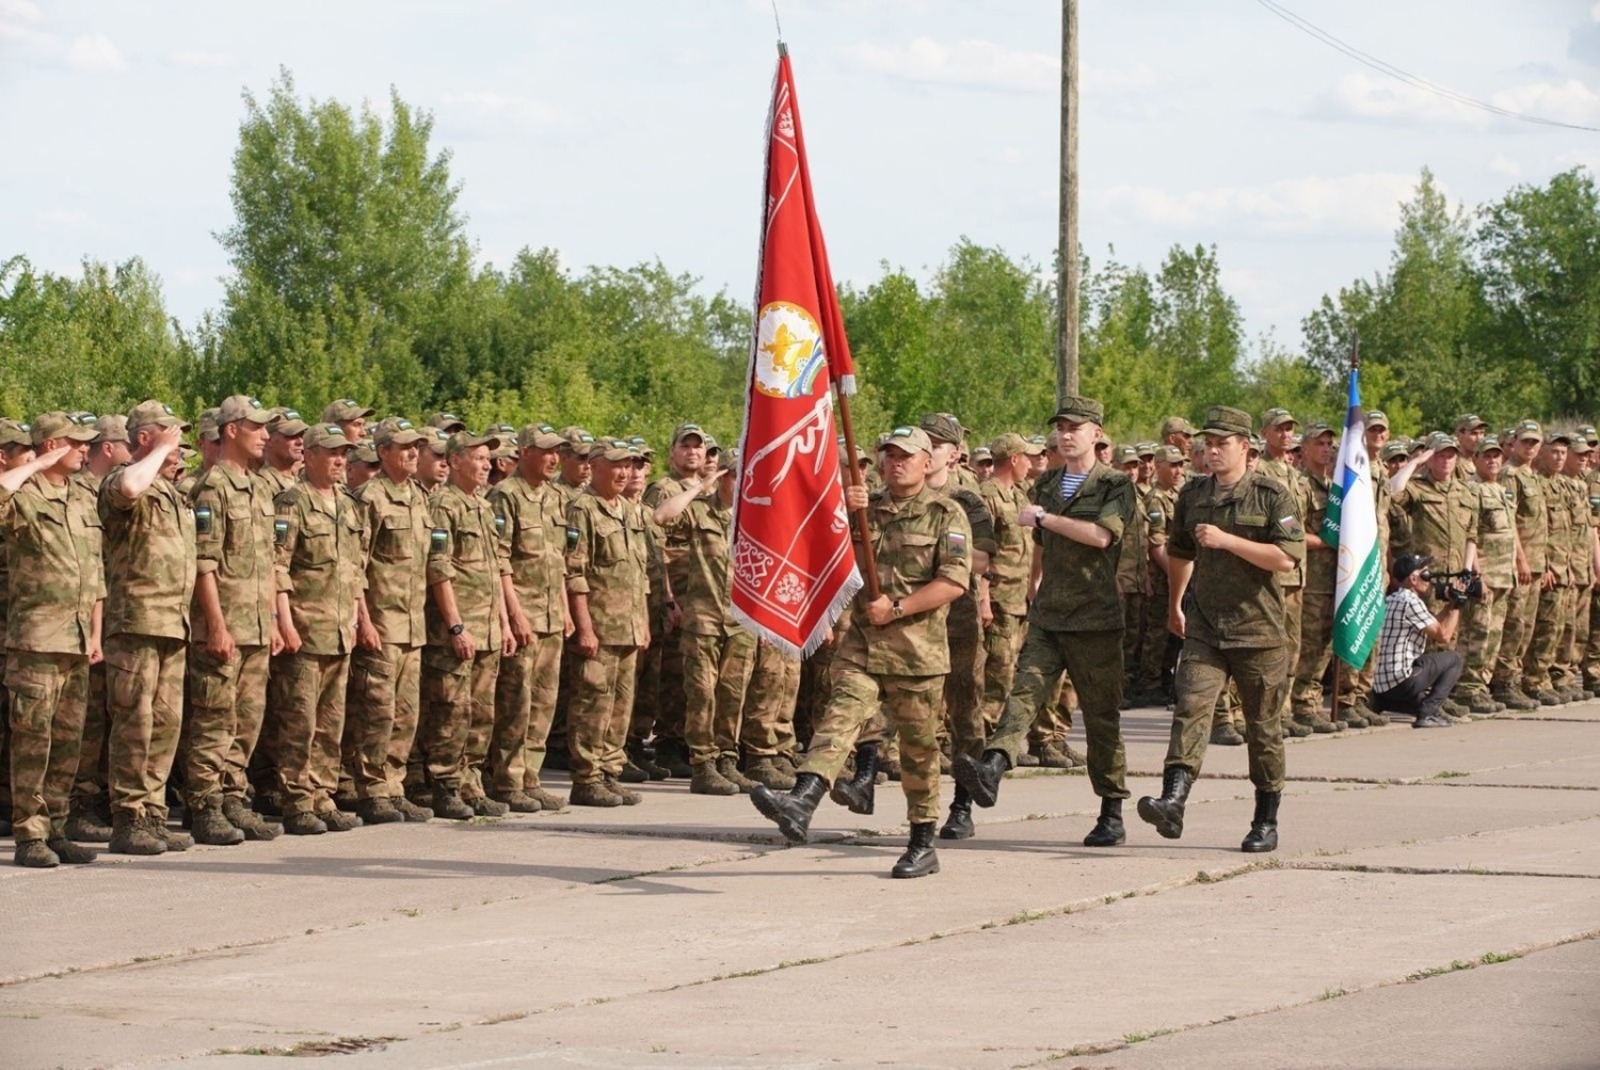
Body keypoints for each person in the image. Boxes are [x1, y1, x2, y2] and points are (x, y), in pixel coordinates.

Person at [751, 426, 971, 879]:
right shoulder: (863, 508)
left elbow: (954, 582)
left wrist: (897, 608)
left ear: (927, 462)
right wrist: (842, 510)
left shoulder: (946, 513)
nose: (896, 463)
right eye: (889, 455)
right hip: (864, 645)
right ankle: (803, 798)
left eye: (906, 456)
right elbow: (819, 551)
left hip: (916, 654)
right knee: (840, 716)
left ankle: (922, 842)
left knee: (918, 752)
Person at [952, 397, 1135, 848]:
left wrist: (1048, 518)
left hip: (1094, 619)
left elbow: (1101, 536)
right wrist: (1035, 582)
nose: (1066, 435)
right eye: (1061, 428)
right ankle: (993, 767)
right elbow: (1039, 541)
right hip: (1050, 614)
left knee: (1101, 719)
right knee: (1024, 694)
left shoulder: (1114, 484)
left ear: (1096, 434)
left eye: (1076, 427)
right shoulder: (1048, 481)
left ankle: (1111, 810)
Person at [1137, 406, 1304, 854]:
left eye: (1221, 444)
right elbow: (1180, 552)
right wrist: (1175, 603)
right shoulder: (1193, 495)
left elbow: (1287, 558)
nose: (1211, 452)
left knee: (1263, 729)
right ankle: (1173, 801)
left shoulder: (1272, 496)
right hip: (1206, 627)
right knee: (1190, 709)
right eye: (1207, 444)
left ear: (1244, 447)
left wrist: (1228, 540)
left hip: (1258, 631)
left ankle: (1265, 820)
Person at [0, 414, 105, 867]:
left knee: (67, 742)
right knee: (32, 742)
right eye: (75, 442)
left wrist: (95, 633)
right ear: (51, 445)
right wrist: (36, 465)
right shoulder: (25, 495)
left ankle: (57, 827)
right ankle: (30, 834)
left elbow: (95, 573)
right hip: (37, 641)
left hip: (77, 639)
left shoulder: (80, 499)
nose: (84, 449)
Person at [184, 396, 284, 845]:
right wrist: (217, 626)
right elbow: (203, 563)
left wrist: (272, 620)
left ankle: (232, 798)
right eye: (256, 427)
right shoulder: (213, 487)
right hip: (223, 627)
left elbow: (269, 562)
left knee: (246, 720)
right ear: (230, 430)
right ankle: (204, 805)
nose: (265, 435)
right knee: (213, 721)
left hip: (256, 626)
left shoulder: (259, 488)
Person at [99, 402, 196, 856]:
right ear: (143, 438)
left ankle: (153, 814)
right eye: (169, 433)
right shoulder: (123, 479)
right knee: (134, 721)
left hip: (172, 623)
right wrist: (158, 452)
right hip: (135, 620)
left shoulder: (173, 494)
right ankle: (129, 817)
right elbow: (129, 487)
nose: (178, 443)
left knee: (165, 723)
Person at [272, 423, 367, 834]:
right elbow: (278, 567)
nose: (340, 460)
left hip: (340, 630)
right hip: (306, 629)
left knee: (330, 723)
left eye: (344, 453)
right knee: (299, 722)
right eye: (332, 453)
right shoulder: (292, 503)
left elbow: (356, 570)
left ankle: (322, 795)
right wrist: (285, 623)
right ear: (308, 456)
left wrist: (359, 619)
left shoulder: (348, 504)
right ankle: (296, 801)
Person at [420, 430, 515, 818]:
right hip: (458, 631)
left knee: (481, 712)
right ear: (456, 461)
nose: (486, 465)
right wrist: (456, 626)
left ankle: (471, 784)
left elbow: (495, 569)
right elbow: (438, 568)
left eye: (488, 459)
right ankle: (445, 785)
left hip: (488, 628)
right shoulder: (444, 505)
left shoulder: (482, 506)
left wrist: (504, 623)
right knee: (452, 712)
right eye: (478, 458)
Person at [346, 417, 436, 823]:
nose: (413, 453)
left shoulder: (418, 497)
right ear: (383, 452)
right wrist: (363, 621)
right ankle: (371, 789)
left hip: (412, 626)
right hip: (382, 624)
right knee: (376, 712)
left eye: (416, 446)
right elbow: (356, 566)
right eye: (404, 447)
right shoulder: (370, 498)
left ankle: (393, 785)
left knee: (405, 713)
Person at [653, 449, 756, 795]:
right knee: (701, 694)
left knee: (733, 695)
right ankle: (703, 764)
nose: (740, 482)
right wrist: (700, 487)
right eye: (734, 474)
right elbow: (661, 516)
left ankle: (727, 760)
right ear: (722, 476)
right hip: (704, 621)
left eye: (746, 475)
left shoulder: (755, 516)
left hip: (741, 621)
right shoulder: (699, 511)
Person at [485, 423, 572, 813]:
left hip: (551, 615)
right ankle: (507, 780)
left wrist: (565, 609)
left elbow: (561, 560)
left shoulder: (555, 496)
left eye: (557, 451)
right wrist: (514, 613)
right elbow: (500, 560)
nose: (554, 458)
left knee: (543, 703)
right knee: (516, 702)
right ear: (524, 452)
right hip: (525, 616)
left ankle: (530, 777)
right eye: (546, 451)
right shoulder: (506, 495)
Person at [565, 438, 651, 806]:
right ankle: (587, 778)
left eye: (629, 465)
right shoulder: (581, 509)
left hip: (627, 626)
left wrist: (642, 622)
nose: (625, 472)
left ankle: (610, 771)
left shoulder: (628, 510)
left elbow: (640, 574)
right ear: (595, 465)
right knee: (592, 704)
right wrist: (584, 628)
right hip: (599, 627)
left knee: (620, 705)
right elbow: (574, 573)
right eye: (617, 464)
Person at [1373, 554, 1465, 727]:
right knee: (1455, 659)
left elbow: (1432, 625)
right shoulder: (1411, 601)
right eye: (1426, 574)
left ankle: (1385, 703)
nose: (1429, 579)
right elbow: (1444, 636)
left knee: (1421, 697)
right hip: (1402, 681)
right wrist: (1458, 605)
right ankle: (1428, 713)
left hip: (1382, 686)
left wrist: (1450, 605)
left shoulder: (1391, 598)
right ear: (1413, 579)